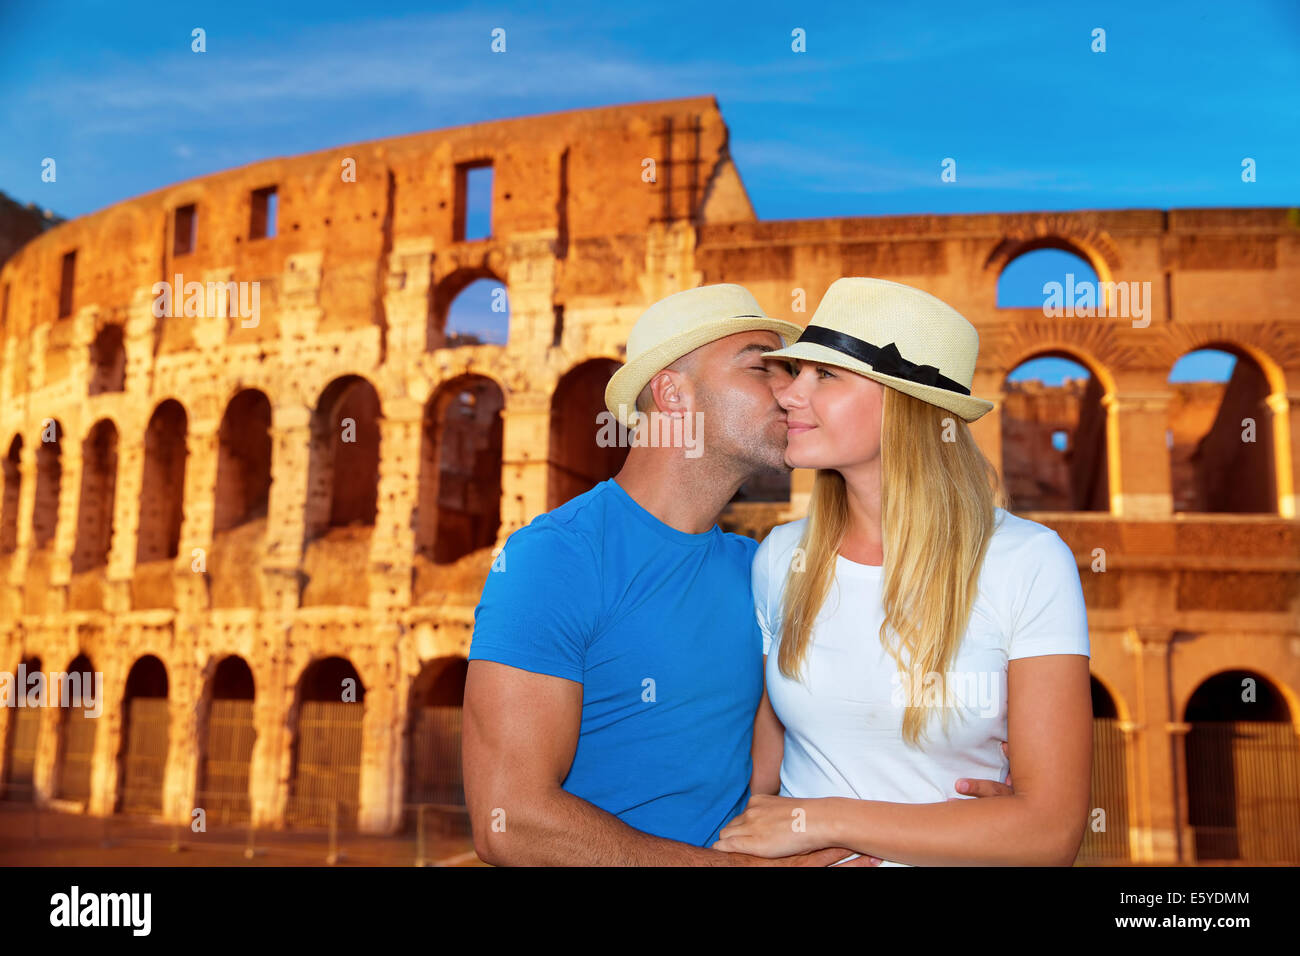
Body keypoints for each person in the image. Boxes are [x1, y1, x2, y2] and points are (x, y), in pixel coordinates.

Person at [462, 282, 1016, 867]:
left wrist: (976, 808)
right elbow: (510, 822)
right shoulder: (552, 558)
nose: (792, 392)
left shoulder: (765, 568)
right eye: (763, 369)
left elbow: (824, 735)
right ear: (673, 393)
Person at [713, 276, 1093, 866]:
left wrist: (826, 820)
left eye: (826, 375)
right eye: (796, 372)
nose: (788, 394)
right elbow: (760, 785)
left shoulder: (1028, 562)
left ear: (906, 403)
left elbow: (1050, 837)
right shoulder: (781, 559)